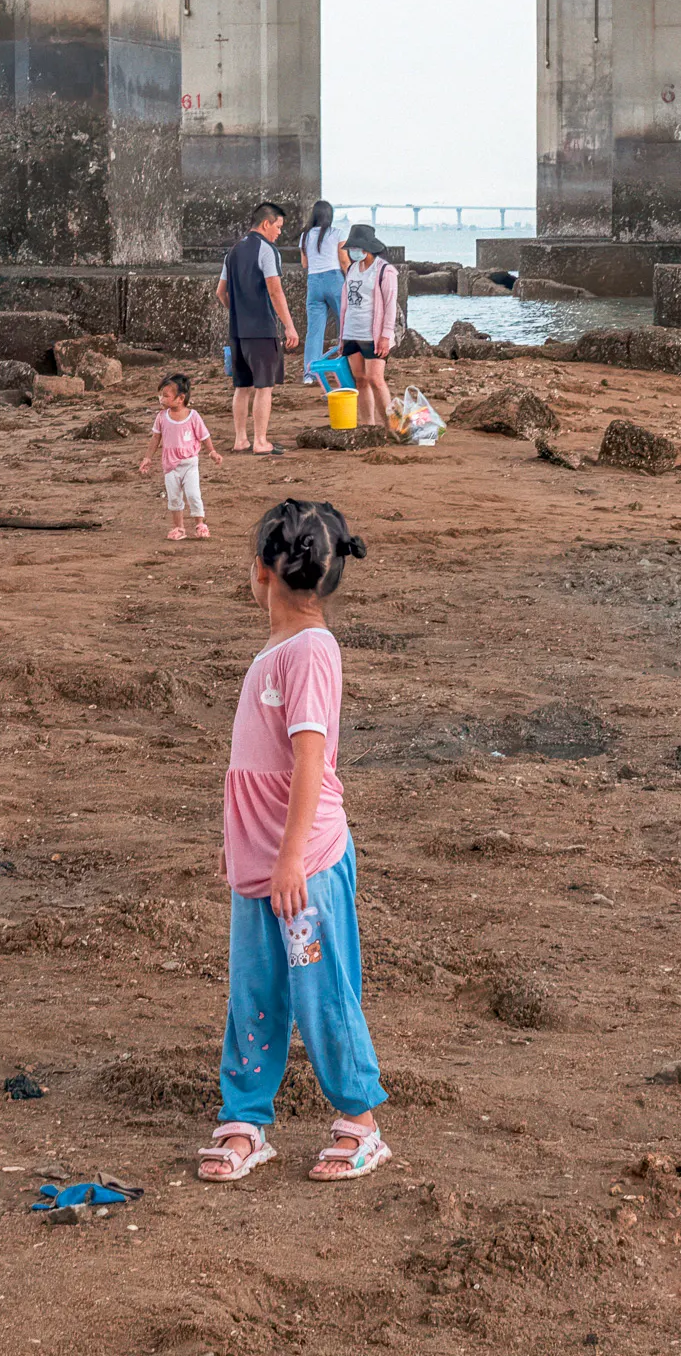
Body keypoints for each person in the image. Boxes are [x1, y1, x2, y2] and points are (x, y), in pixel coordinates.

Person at [198, 499, 392, 1186]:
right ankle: (245, 1117)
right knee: (253, 990)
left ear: (260, 570)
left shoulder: (311, 651)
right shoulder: (279, 650)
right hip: (262, 865)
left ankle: (360, 1121)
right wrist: (240, 843)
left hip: (303, 869)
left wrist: (288, 858)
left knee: (321, 989)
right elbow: (257, 764)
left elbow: (311, 761)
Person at [216, 201, 298, 455]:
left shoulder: (233, 251)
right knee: (264, 386)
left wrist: (239, 310)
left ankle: (240, 439)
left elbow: (221, 292)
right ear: (266, 224)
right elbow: (275, 291)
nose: (279, 232)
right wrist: (289, 327)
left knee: (242, 387)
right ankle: (261, 441)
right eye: (278, 227)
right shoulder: (267, 250)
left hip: (238, 330)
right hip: (261, 329)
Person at [138, 372, 224, 542]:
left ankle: (200, 524)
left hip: (189, 464)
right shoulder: (162, 417)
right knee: (174, 497)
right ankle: (179, 527)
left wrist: (212, 452)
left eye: (165, 395)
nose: (161, 399)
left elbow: (204, 436)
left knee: (193, 494)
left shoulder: (193, 416)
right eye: (161, 395)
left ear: (180, 398)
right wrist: (148, 458)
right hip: (170, 466)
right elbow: (155, 438)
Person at [335, 225, 398, 431]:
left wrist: (385, 336)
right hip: (351, 332)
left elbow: (390, 305)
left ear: (366, 248)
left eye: (356, 248)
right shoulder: (352, 269)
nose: (352, 252)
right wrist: (342, 337)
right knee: (360, 379)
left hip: (373, 334)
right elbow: (345, 304)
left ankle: (391, 426)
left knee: (375, 379)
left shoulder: (385, 271)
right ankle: (367, 424)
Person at [298, 200, 344, 383]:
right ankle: (348, 366)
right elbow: (344, 261)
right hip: (334, 279)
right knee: (345, 325)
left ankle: (310, 374)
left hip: (314, 282)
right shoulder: (337, 233)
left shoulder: (305, 236)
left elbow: (305, 264)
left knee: (314, 331)